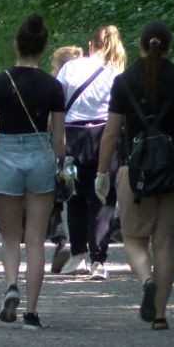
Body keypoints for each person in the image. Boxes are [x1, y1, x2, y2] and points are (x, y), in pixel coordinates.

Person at [96, 21, 174, 330]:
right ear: (168, 47)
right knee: (163, 242)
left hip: (135, 172)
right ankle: (161, 315)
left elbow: (111, 133)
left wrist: (102, 173)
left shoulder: (124, 81)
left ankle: (147, 279)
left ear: (140, 45)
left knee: (133, 238)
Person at [0, 14, 66, 331]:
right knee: (35, 240)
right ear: (43, 48)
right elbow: (59, 140)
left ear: (16, 45)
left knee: (10, 236)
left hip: (7, 158)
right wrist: (61, 167)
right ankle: (31, 313)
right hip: (41, 157)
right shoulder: (54, 87)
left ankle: (11, 285)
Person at [55, 26, 127, 280]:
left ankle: (77, 257)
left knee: (73, 196)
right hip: (104, 135)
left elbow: (58, 104)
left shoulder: (69, 68)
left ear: (90, 44)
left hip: (72, 134)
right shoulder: (115, 74)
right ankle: (99, 262)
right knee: (103, 196)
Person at [47, 46, 84, 273]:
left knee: (58, 195)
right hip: (88, 138)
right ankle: (86, 247)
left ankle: (61, 241)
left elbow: (51, 120)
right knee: (81, 194)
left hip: (62, 141)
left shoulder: (57, 85)